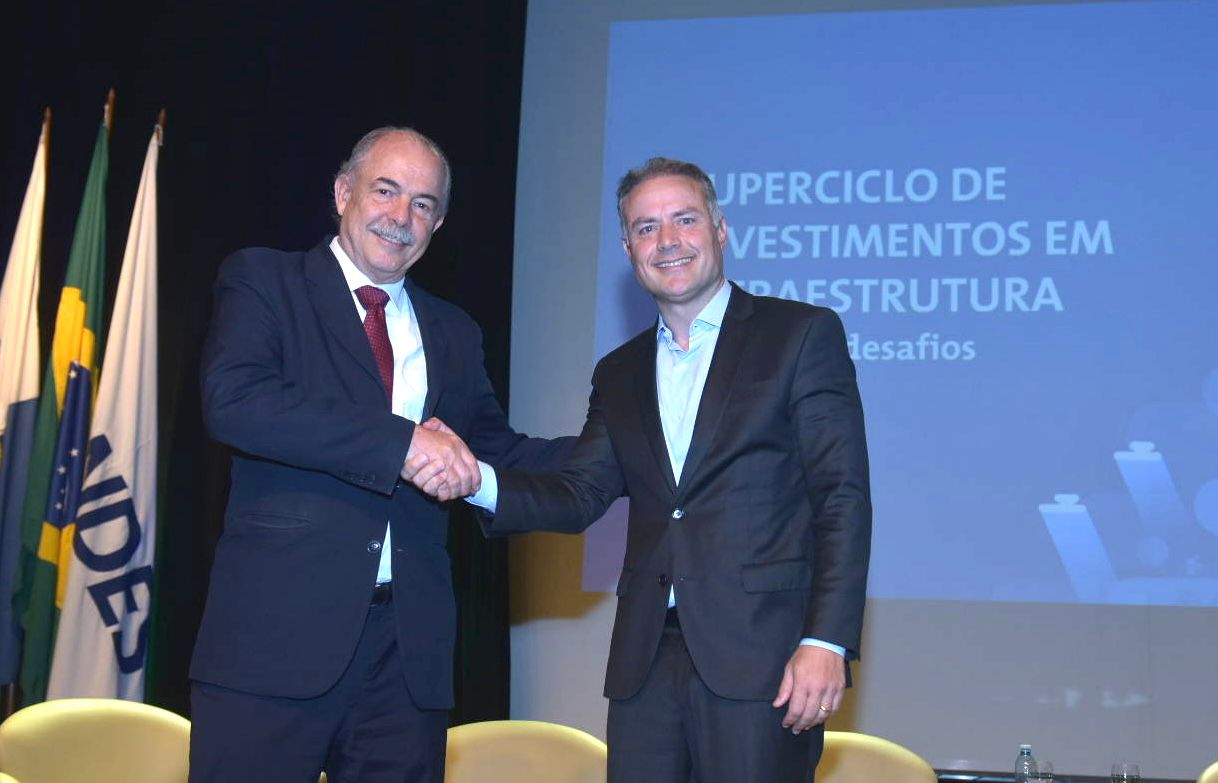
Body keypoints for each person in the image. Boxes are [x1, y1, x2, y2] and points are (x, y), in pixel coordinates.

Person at [452, 157, 872, 782]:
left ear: (720, 230)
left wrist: (826, 641)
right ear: (628, 249)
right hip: (645, 662)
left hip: (765, 658)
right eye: (646, 228)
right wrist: (476, 481)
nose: (668, 240)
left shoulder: (800, 334)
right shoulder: (618, 372)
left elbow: (841, 497)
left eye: (685, 220)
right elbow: (581, 492)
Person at [190, 126, 568, 783]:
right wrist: (403, 442)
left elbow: (494, 451)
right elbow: (237, 401)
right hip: (272, 645)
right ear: (343, 193)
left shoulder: (453, 330)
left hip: (406, 660)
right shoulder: (265, 280)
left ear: (438, 223)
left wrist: (616, 450)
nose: (401, 216)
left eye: (423, 204)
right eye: (385, 191)